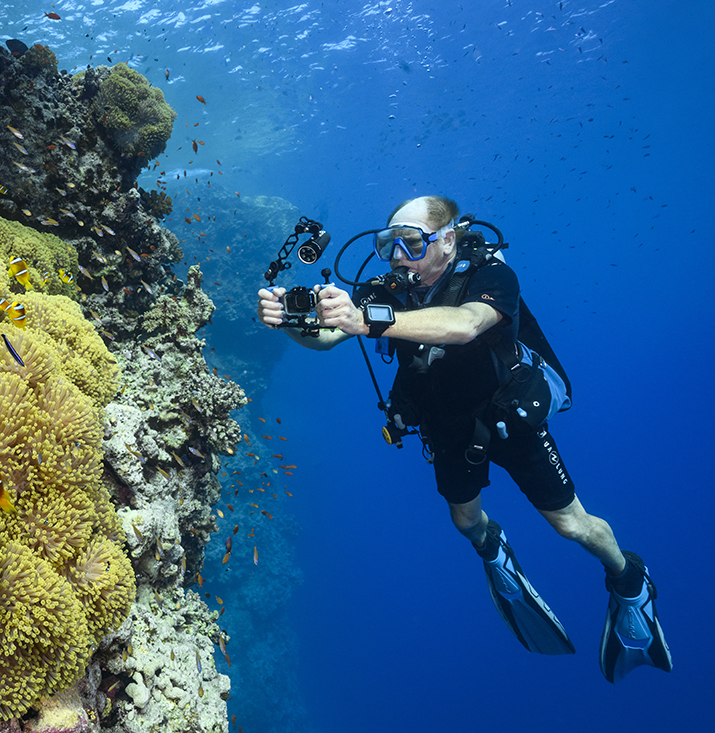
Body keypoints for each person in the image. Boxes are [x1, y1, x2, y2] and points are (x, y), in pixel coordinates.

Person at [256, 195, 671, 682]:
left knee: (572, 524)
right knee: (465, 521)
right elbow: (327, 338)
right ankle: (495, 552)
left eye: (410, 244)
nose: (397, 257)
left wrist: (366, 321)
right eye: (388, 245)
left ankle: (629, 580)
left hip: (508, 417)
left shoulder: (491, 276)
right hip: (446, 424)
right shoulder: (385, 289)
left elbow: (466, 324)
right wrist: (289, 324)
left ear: (448, 239)